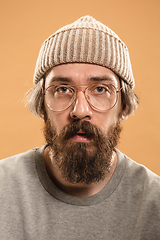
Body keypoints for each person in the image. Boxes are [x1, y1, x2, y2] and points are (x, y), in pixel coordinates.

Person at [0, 15, 160, 240]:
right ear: (41, 105)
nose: (80, 110)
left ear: (124, 106)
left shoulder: (155, 203)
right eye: (63, 89)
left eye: (101, 89)